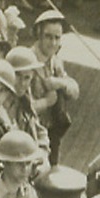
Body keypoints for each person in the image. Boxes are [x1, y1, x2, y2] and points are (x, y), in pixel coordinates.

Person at [28, 11, 79, 164]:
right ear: (39, 35)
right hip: (30, 131)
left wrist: (60, 83)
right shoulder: (27, 61)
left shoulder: (55, 61)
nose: (53, 43)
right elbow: (20, 108)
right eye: (48, 37)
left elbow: (75, 92)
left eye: (57, 38)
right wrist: (47, 102)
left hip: (52, 132)